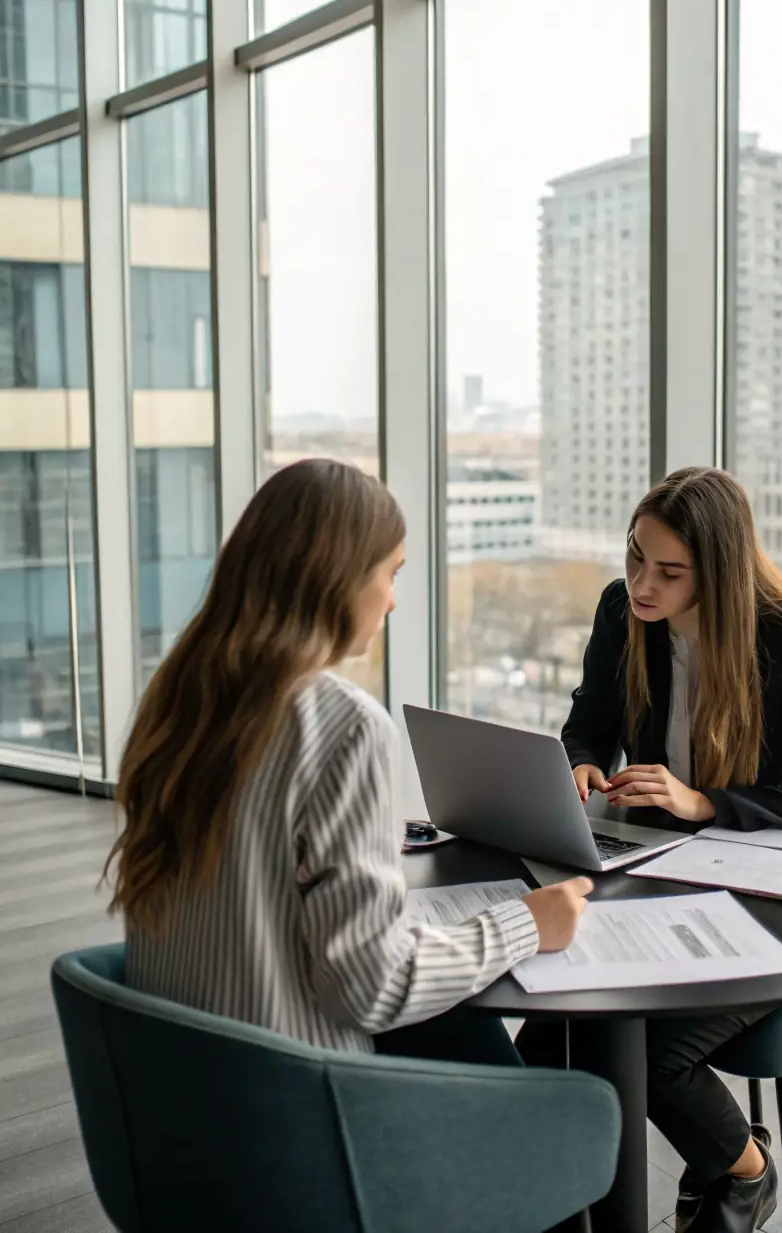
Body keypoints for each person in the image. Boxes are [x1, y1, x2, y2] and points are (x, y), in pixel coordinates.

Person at [105, 459, 592, 1071]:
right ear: (334, 578)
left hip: (177, 1087)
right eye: (390, 573)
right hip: (297, 1104)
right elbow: (372, 988)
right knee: (558, 1097)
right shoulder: (342, 723)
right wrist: (525, 924)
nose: (391, 600)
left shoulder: (177, 696)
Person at [518, 466, 782, 1233]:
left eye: (669, 572)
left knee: (642, 1049)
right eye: (636, 556)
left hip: (767, 900)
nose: (642, 583)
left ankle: (747, 1171)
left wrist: (706, 801)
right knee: (548, 1036)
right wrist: (581, 759)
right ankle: (564, 1207)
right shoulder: (624, 610)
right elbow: (591, 715)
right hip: (660, 873)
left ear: (718, 572)